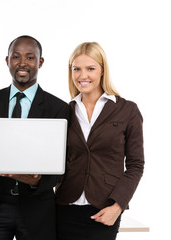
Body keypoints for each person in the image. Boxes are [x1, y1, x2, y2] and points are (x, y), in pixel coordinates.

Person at [0, 35, 70, 240]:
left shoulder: (57, 108)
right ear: (7, 61)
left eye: (30, 57)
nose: (22, 63)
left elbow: (63, 161)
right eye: (16, 57)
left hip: (37, 206)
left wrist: (35, 180)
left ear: (40, 62)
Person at [55, 42, 145, 240]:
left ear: (103, 70)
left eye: (90, 68)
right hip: (64, 209)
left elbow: (135, 165)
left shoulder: (127, 110)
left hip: (104, 211)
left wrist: (118, 206)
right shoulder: (64, 111)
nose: (82, 75)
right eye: (76, 69)